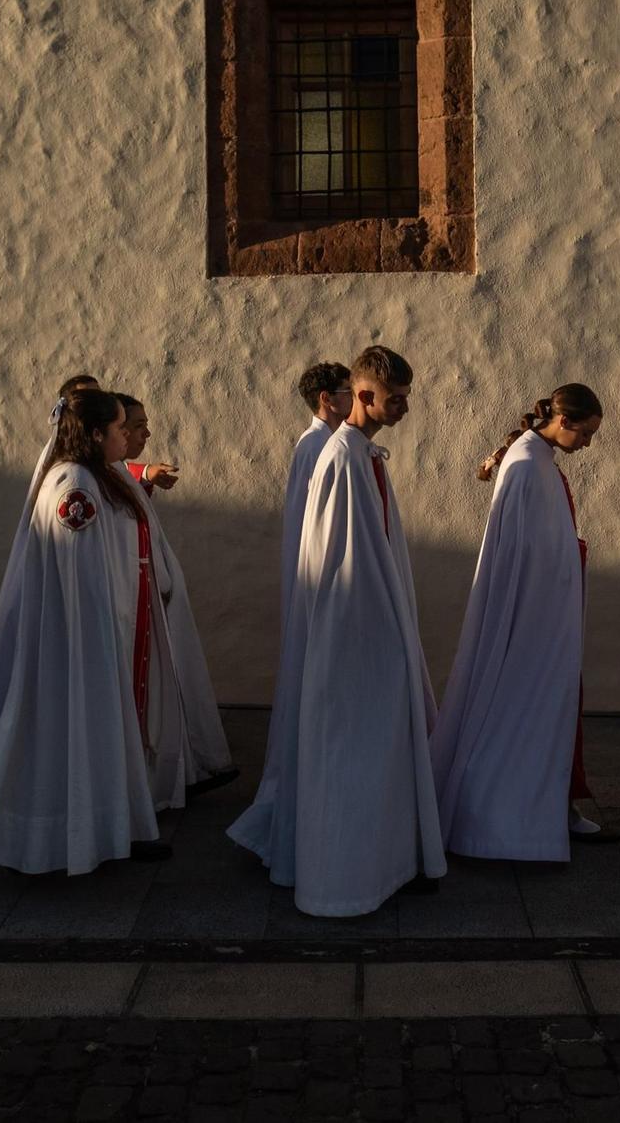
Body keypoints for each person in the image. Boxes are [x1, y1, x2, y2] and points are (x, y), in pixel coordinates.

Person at [230, 345, 445, 916]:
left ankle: (387, 861)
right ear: (363, 395)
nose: (403, 408)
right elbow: (336, 564)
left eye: (405, 398)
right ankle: (342, 879)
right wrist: (373, 641)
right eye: (394, 399)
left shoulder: (365, 456)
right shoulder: (340, 460)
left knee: (378, 753)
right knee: (349, 753)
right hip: (354, 641)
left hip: (377, 635)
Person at [0, 388, 171, 873]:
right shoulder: (74, 485)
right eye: (121, 429)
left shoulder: (96, 477)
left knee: (102, 735)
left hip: (98, 634)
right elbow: (78, 581)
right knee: (71, 734)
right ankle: (66, 839)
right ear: (96, 435)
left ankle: (114, 830)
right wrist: (97, 643)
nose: (127, 437)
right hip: (78, 643)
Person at [432, 384, 617, 861]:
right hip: (533, 621)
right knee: (521, 711)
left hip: (546, 614)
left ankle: (549, 809)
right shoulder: (528, 465)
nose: (589, 445)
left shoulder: (536, 458)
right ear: (566, 421)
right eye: (588, 434)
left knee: (549, 712)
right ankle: (506, 822)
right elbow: (519, 552)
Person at [228, 360, 351, 877]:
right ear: (326, 398)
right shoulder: (319, 447)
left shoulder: (324, 444)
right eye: (348, 391)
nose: (354, 399)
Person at [115, 392, 236, 805]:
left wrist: (146, 472)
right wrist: (145, 471)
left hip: (156, 600)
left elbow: (126, 475)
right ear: (117, 431)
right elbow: (119, 477)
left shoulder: (116, 471)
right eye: (138, 426)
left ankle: (178, 772)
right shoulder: (94, 477)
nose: (147, 433)